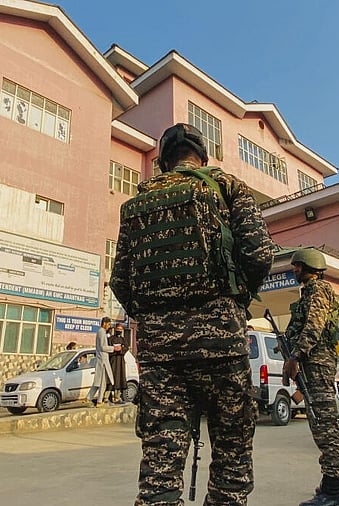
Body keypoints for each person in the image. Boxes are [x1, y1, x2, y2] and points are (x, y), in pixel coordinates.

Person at [111, 123, 274, 505]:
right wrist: (234, 300)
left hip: (161, 355)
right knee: (231, 449)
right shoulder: (226, 187)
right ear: (202, 157)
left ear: (163, 162)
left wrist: (154, 316)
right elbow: (259, 254)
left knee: (160, 461)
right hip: (221, 344)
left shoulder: (134, 206)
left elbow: (120, 281)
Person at [283, 248, 339, 506]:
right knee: (323, 424)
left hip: (318, 364)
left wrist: (296, 355)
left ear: (310, 266)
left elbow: (314, 326)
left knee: (323, 426)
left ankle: (331, 492)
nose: (294, 270)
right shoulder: (310, 292)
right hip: (312, 364)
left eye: (297, 266)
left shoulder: (319, 290)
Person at [87, 317, 114, 407]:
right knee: (102, 382)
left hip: (102, 359)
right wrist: (113, 348)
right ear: (105, 323)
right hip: (103, 361)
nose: (109, 326)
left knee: (98, 382)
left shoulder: (100, 332)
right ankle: (99, 401)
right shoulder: (102, 332)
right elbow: (103, 347)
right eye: (109, 324)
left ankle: (88, 398)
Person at [107, 323, 128, 404]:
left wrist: (121, 349)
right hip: (112, 361)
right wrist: (114, 349)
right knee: (110, 379)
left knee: (120, 379)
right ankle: (107, 397)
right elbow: (108, 349)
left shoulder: (123, 339)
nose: (119, 331)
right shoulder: (110, 339)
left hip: (120, 362)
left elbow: (126, 348)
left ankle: (117, 397)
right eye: (117, 329)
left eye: (120, 330)